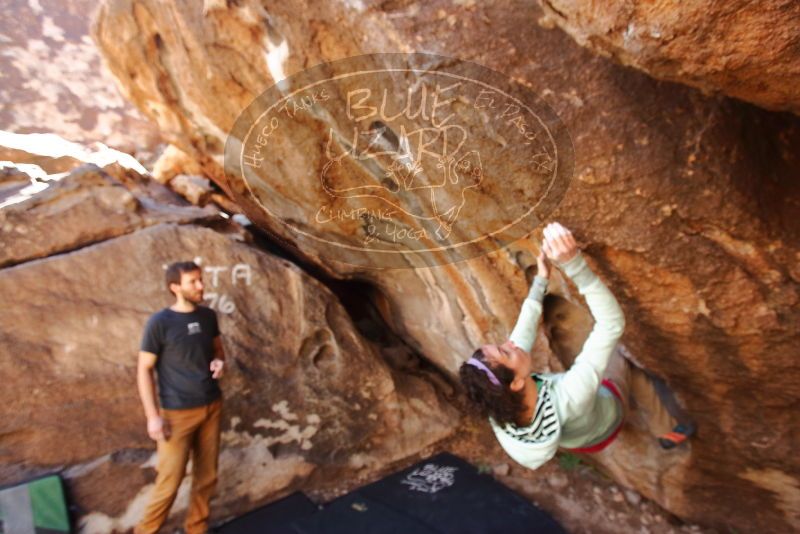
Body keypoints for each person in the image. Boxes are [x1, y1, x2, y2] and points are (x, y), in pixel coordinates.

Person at [459, 222, 694, 470]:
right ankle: (667, 429)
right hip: (607, 419)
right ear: (516, 383)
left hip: (580, 440)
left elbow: (522, 335)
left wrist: (541, 281)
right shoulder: (570, 394)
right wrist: (574, 264)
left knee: (589, 379)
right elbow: (611, 323)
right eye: (505, 351)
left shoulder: (499, 402)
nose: (510, 343)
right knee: (622, 360)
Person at [135, 261, 226, 534]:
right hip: (176, 414)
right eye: (193, 282)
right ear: (175, 288)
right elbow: (143, 370)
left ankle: (197, 528)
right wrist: (153, 417)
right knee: (169, 482)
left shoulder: (208, 316)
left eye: (200, 280)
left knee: (207, 477)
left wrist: (220, 362)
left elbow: (219, 351)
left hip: (212, 405)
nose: (201, 286)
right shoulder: (160, 323)